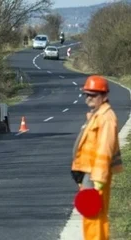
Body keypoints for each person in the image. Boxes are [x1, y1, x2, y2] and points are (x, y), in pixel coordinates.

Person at [71, 75, 124, 240]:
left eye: (93, 95)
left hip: (95, 178)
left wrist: (98, 181)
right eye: (87, 94)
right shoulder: (97, 115)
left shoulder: (106, 118)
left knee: (95, 220)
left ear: (104, 96)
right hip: (88, 176)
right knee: (90, 219)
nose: (89, 98)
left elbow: (104, 150)